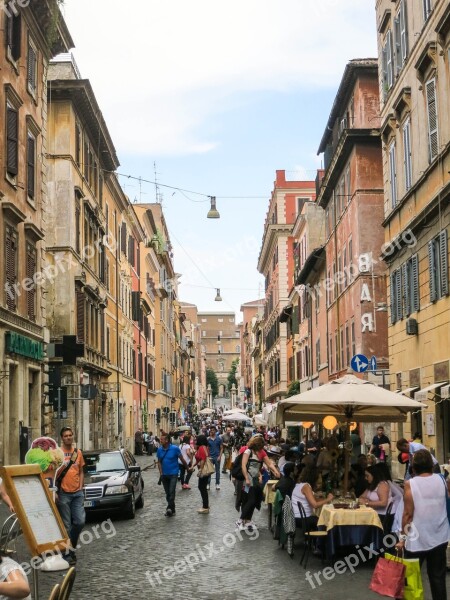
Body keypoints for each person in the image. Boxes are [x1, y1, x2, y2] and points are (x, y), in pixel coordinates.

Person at [395, 449, 449, 600]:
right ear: (431, 465)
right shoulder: (442, 479)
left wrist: (402, 538)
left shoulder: (410, 484)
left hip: (416, 539)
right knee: (438, 578)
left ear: (413, 467)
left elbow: (407, 514)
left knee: (411, 579)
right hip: (439, 535)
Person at [56, 427, 85, 565]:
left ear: (73, 436)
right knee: (66, 526)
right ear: (62, 438)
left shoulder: (77, 452)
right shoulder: (57, 454)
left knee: (80, 522)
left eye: (70, 435)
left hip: (77, 493)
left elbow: (81, 471)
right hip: (63, 494)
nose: (68, 437)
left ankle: (70, 549)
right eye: (66, 435)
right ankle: (67, 555)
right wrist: (54, 490)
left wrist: (80, 486)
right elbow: (52, 474)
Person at [239, 435, 280, 531]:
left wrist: (275, 471)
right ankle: (241, 520)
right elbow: (243, 466)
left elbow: (269, 463)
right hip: (248, 479)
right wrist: (246, 478)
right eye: (261, 445)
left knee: (254, 500)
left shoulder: (262, 452)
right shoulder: (248, 451)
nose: (263, 447)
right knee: (249, 500)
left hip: (256, 479)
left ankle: (247, 520)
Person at [157, 433, 191, 517]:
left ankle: (169, 508)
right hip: (164, 474)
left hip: (174, 473)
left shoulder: (175, 449)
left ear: (167, 440)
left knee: (171, 491)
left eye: (162, 439)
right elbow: (159, 462)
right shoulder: (159, 450)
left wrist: (187, 468)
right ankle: (173, 508)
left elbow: (182, 459)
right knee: (167, 493)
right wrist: (161, 473)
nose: (160, 440)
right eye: (160, 439)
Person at [193, 435, 210, 514]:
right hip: (203, 469)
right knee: (202, 487)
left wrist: (200, 470)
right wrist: (192, 465)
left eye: (197, 440)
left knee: (202, 487)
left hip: (203, 470)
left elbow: (203, 459)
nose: (196, 441)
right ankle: (206, 505)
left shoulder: (201, 448)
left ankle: (205, 507)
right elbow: (199, 459)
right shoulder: (204, 447)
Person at [207, 426, 223, 490]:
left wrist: (220, 456)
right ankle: (208, 484)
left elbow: (221, 448)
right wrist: (208, 456)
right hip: (210, 457)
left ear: (215, 431)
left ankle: (217, 484)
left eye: (213, 430)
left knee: (217, 471)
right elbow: (207, 448)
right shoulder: (208, 439)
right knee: (209, 471)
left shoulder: (219, 439)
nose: (212, 431)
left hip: (217, 457)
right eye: (211, 430)